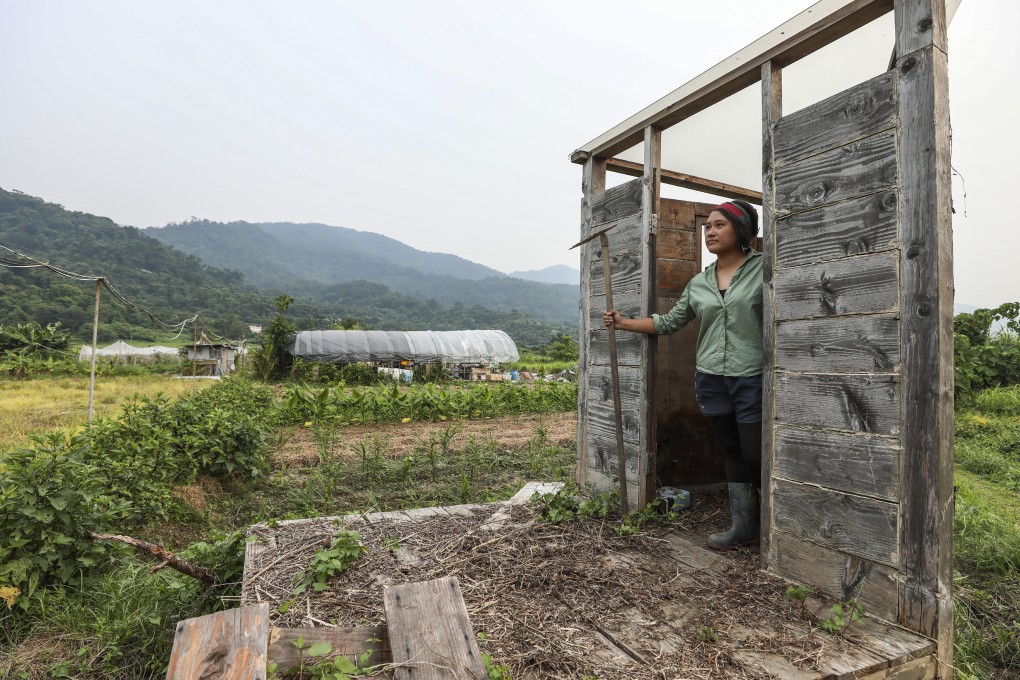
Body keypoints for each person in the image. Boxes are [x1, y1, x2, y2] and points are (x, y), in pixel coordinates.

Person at [602, 199, 763, 551]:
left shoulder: (764, 271)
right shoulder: (700, 283)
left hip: (751, 376)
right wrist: (624, 322)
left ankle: (773, 522)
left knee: (756, 452)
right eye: (707, 226)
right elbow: (669, 322)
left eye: (720, 225)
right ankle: (745, 527)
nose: (711, 231)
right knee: (732, 451)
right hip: (711, 378)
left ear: (741, 230)